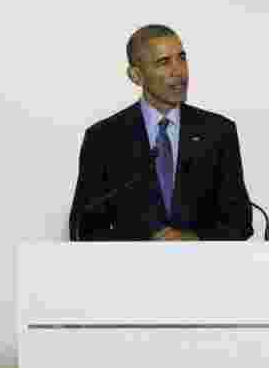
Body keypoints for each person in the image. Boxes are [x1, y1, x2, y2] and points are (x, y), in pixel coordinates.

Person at [69, 24, 253, 241]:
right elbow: (83, 228)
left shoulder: (218, 132)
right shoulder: (104, 138)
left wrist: (192, 239)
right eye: (164, 62)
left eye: (182, 58)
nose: (179, 72)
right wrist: (148, 243)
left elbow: (240, 223)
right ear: (136, 76)